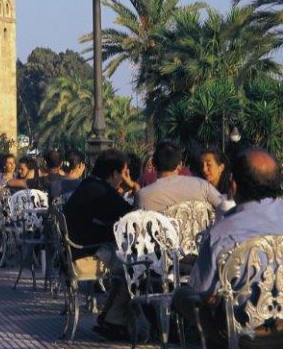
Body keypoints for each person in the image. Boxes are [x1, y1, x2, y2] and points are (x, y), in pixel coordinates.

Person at [174, 148, 283, 349]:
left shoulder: (223, 232)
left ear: (233, 184)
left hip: (244, 336)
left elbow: (202, 291)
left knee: (190, 303)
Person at [64, 149, 135, 338]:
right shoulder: (100, 191)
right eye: (123, 173)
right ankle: (115, 319)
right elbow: (131, 215)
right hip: (83, 257)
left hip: (72, 253)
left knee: (126, 261)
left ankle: (109, 317)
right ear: (114, 174)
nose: (123, 178)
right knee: (135, 266)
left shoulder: (89, 185)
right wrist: (134, 186)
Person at [137, 140, 225, 213]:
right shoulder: (202, 186)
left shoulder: (143, 196)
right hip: (200, 234)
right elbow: (226, 209)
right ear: (180, 165)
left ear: (154, 164)